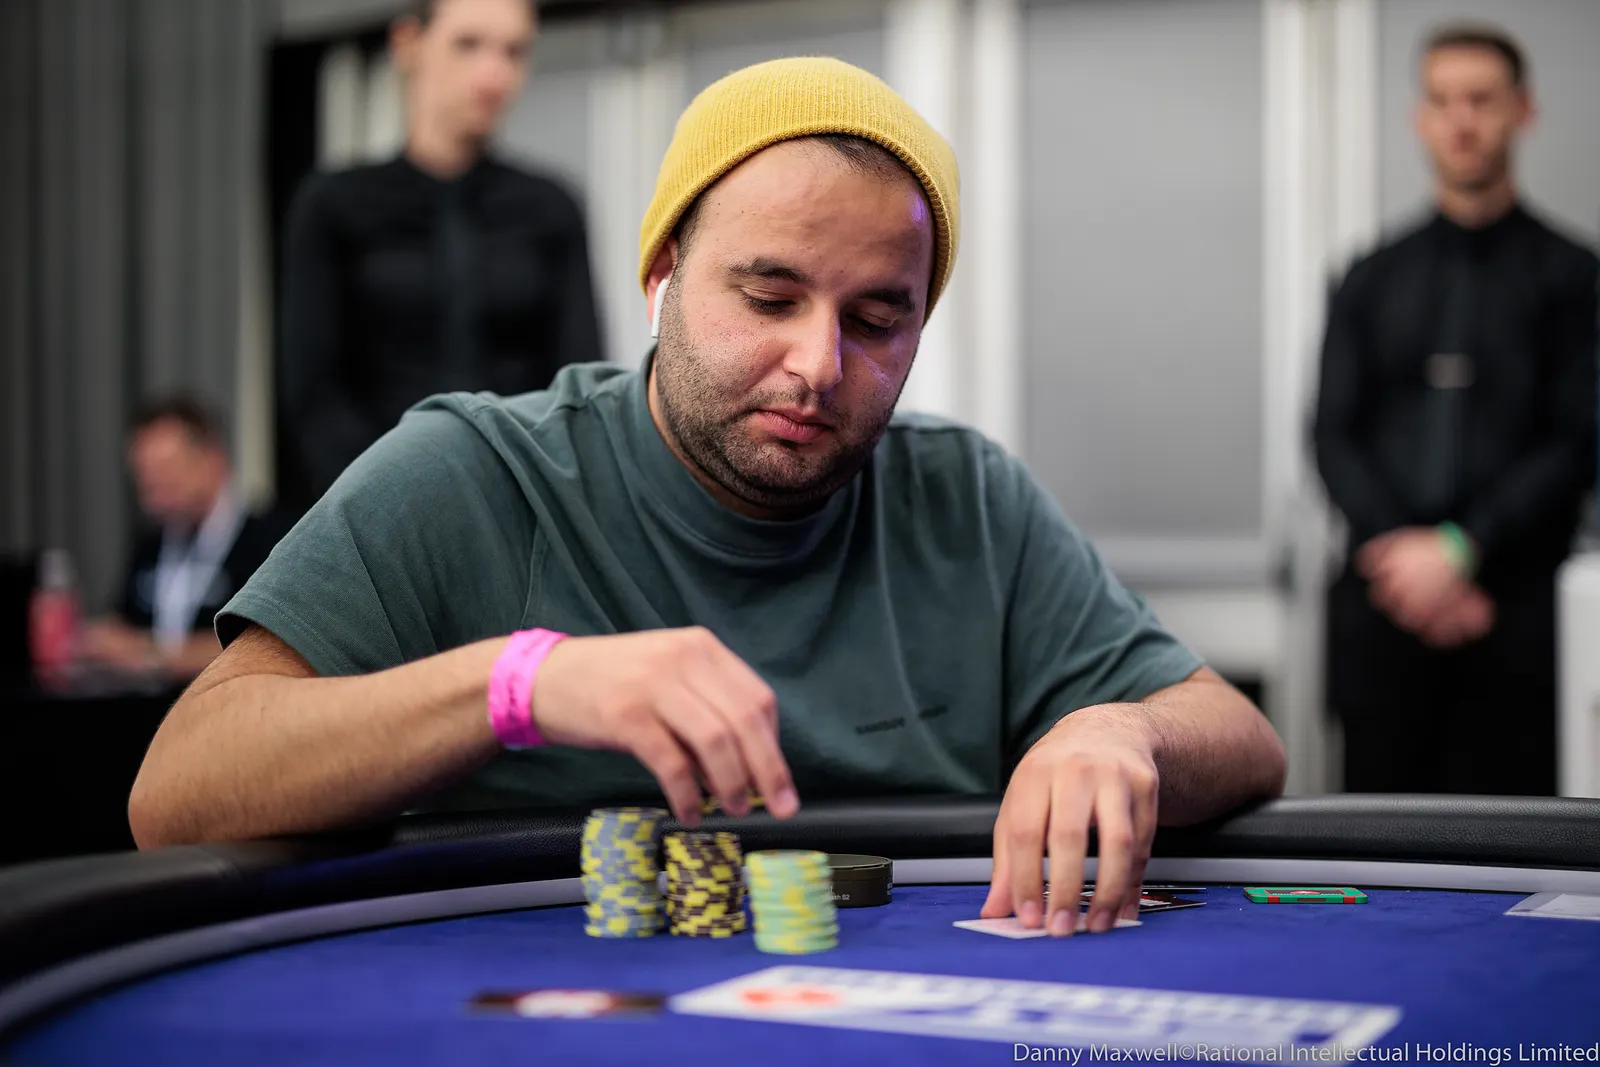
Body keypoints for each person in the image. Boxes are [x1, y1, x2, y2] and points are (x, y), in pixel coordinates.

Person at [132, 57, 1286, 937]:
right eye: (769, 297)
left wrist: (1119, 727)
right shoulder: (470, 471)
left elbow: (1236, 735)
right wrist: (520, 683)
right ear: (661, 278)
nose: (817, 364)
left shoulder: (966, 500)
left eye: (876, 319)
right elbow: (178, 790)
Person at [1314, 25, 1598, 795]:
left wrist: (1463, 548)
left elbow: (1579, 439)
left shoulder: (1576, 278)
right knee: (1375, 840)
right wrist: (1412, 564)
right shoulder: (1369, 278)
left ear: (1522, 111)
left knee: (1516, 841)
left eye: (1481, 99)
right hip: (1385, 615)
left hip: (1514, 616)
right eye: (1442, 101)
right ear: (1420, 117)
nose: (1461, 120)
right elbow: (1332, 434)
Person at [278, 0, 602, 510]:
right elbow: (314, 394)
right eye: (467, 44)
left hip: (521, 505)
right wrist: (389, 507)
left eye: (514, 51)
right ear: (408, 45)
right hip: (374, 508)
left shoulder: (550, 208)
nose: (494, 74)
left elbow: (578, 386)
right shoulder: (334, 206)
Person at [79, 398, 291, 681]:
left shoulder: (270, 541)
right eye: (143, 471)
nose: (152, 483)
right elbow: (118, 626)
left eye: (166, 468)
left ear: (213, 460)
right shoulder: (150, 545)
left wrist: (150, 654)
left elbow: (263, 645)